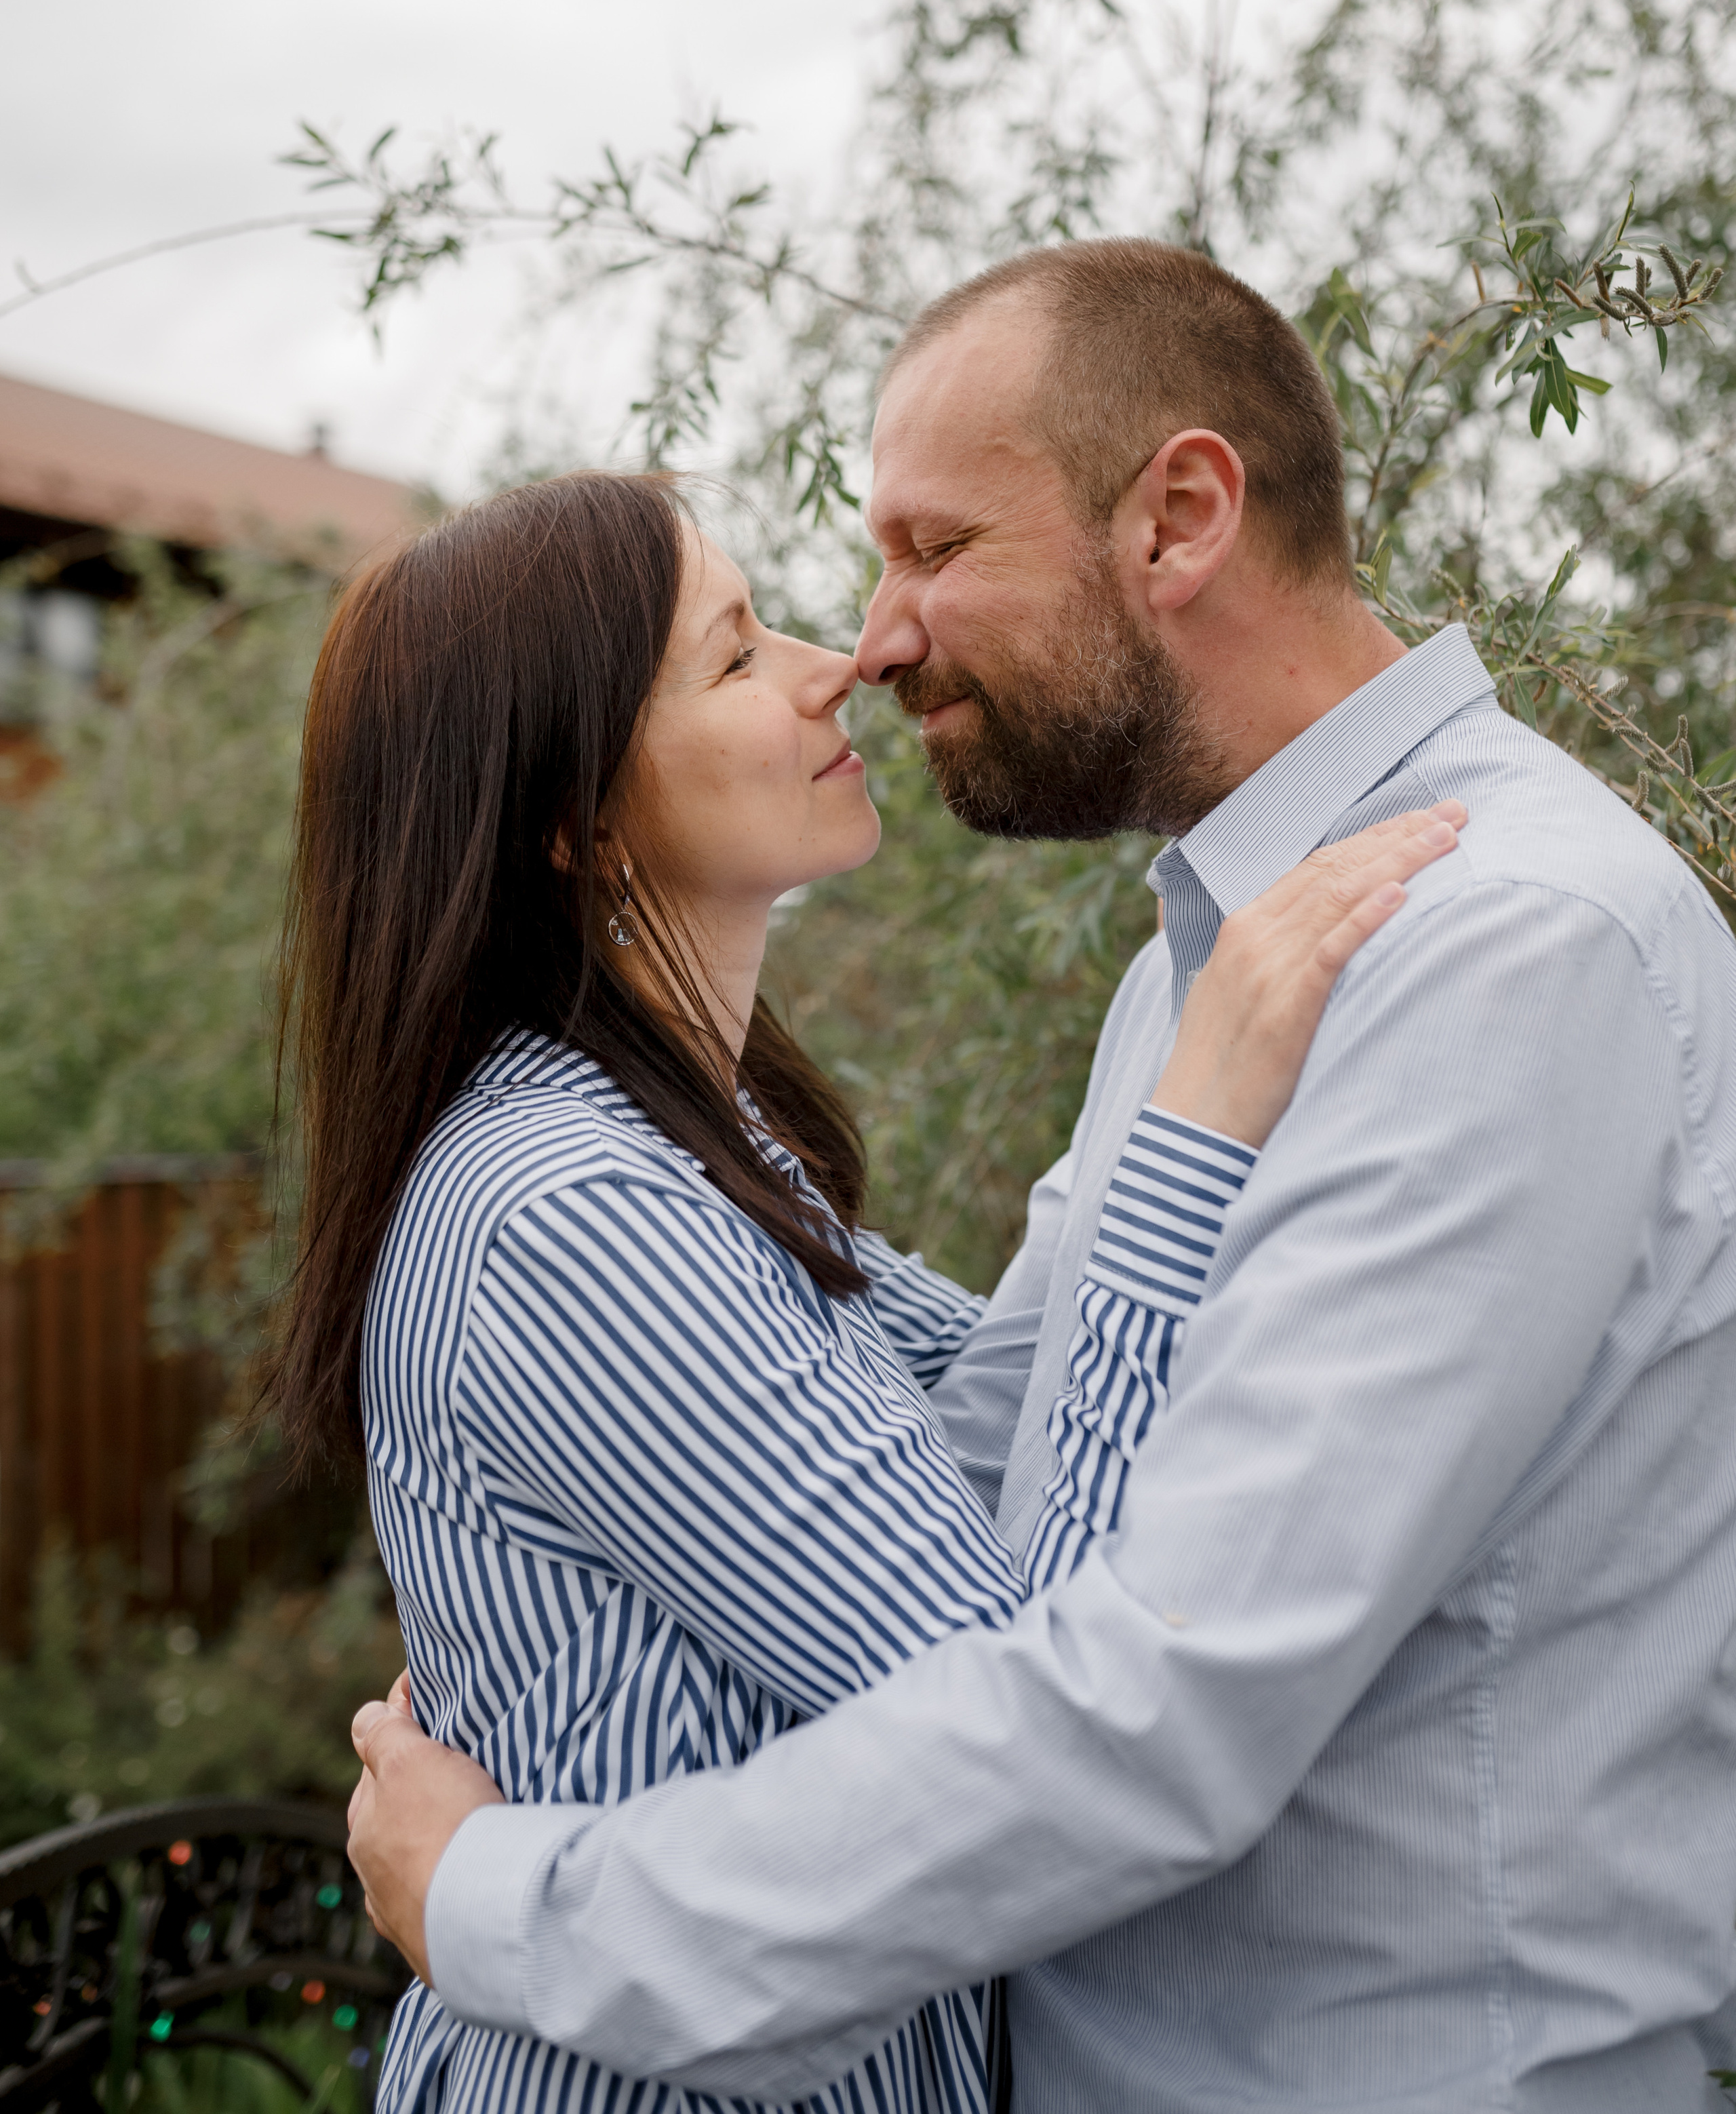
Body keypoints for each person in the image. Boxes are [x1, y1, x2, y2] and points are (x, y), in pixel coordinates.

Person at [347, 242, 1736, 2111]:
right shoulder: (1206, 971)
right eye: (767, 634)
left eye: (934, 548)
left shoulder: (1498, 949)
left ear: (1178, 520)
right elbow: (996, 1483)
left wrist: (506, 1902)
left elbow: (1135, 1702)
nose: (875, 642)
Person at [270, 464, 1455, 2114]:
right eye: (735, 653)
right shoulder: (569, 1217)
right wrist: (1188, 1125)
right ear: (571, 821)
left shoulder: (691, 1149)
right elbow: (1030, 1733)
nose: (836, 666)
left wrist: (1166, 1072)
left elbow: (1018, 1416)